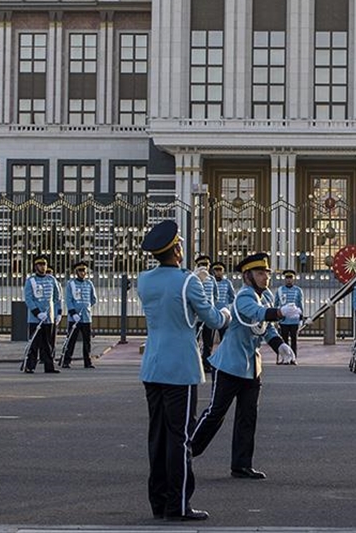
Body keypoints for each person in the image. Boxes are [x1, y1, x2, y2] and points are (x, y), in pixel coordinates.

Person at [137, 220, 229, 522]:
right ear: (177, 250)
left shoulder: (144, 279)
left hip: (152, 364)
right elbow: (213, 319)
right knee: (180, 438)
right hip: (180, 367)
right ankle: (178, 505)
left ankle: (159, 501)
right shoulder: (187, 280)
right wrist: (211, 291)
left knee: (158, 436)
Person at [188, 252, 299, 480]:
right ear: (247, 276)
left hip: (251, 369)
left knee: (248, 417)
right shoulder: (244, 297)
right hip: (229, 366)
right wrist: (279, 313)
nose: (265, 277)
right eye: (260, 273)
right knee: (215, 413)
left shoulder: (265, 297)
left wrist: (280, 346)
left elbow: (266, 328)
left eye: (266, 273)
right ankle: (186, 451)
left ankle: (241, 464)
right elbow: (257, 314)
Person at [23, 255, 61, 374]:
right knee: (34, 343)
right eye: (40, 265)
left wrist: (58, 313)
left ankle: (49, 366)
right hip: (35, 319)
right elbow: (29, 299)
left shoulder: (52, 280)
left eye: (44, 264)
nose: (43, 267)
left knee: (48, 344)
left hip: (48, 318)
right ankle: (30, 365)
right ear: (36, 267)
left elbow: (57, 298)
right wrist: (37, 313)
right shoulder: (31, 281)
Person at [63, 260, 97, 369]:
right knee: (71, 340)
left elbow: (93, 299)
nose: (83, 273)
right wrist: (73, 313)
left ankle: (88, 362)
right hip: (74, 318)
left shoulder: (89, 283)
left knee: (87, 341)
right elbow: (68, 300)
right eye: (80, 271)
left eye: (84, 271)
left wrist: (86, 306)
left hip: (86, 318)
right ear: (76, 272)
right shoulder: (71, 284)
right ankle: (66, 360)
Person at [193, 255, 216, 372]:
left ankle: (206, 363)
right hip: (196, 317)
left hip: (209, 315)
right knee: (194, 341)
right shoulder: (193, 278)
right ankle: (195, 363)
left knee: (208, 342)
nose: (204, 267)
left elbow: (215, 296)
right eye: (201, 264)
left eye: (206, 265)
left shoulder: (212, 280)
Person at [274, 270, 303, 360]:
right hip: (284, 320)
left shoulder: (298, 290)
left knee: (294, 340)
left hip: (294, 320)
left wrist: (301, 318)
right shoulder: (280, 290)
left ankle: (293, 358)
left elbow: (300, 304)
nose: (289, 280)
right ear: (285, 279)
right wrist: (276, 318)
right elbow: (276, 304)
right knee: (284, 340)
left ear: (293, 279)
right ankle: (285, 357)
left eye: (290, 278)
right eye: (287, 278)